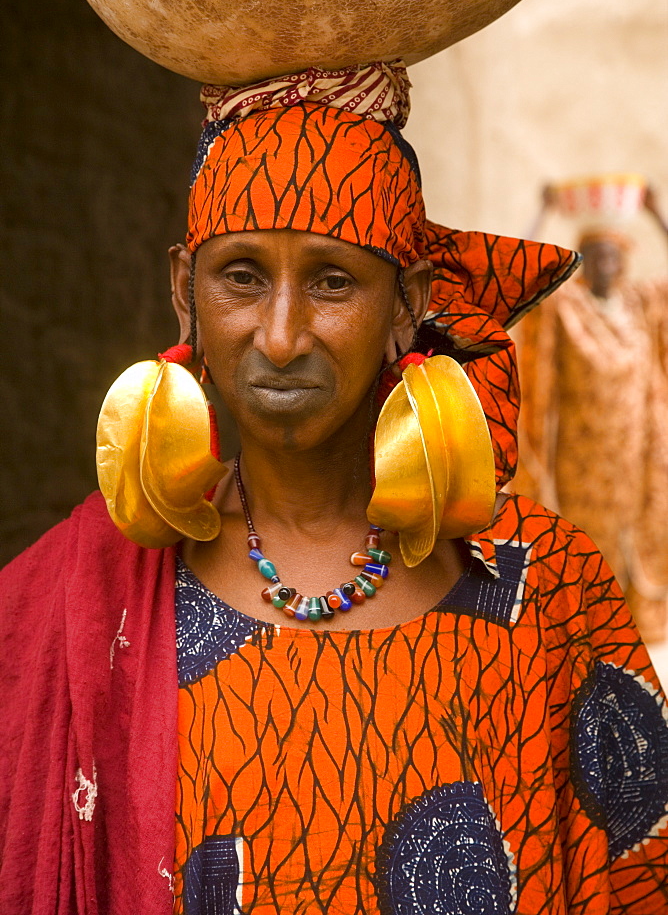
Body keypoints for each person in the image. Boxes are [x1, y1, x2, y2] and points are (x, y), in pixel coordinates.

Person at [1, 64, 667, 915]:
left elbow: (642, 878)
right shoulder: (85, 595)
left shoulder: (547, 591)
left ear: (407, 304)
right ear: (184, 292)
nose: (280, 337)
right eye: (242, 276)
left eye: (332, 281)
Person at [516, 190, 668, 644]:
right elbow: (520, 283)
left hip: (641, 453)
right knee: (591, 543)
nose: (605, 263)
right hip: (584, 462)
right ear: (585, 261)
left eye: (613, 254)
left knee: (643, 534)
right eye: (595, 255)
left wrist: (656, 212)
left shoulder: (642, 304)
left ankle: (639, 630)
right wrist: (541, 212)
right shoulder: (566, 307)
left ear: (624, 259)